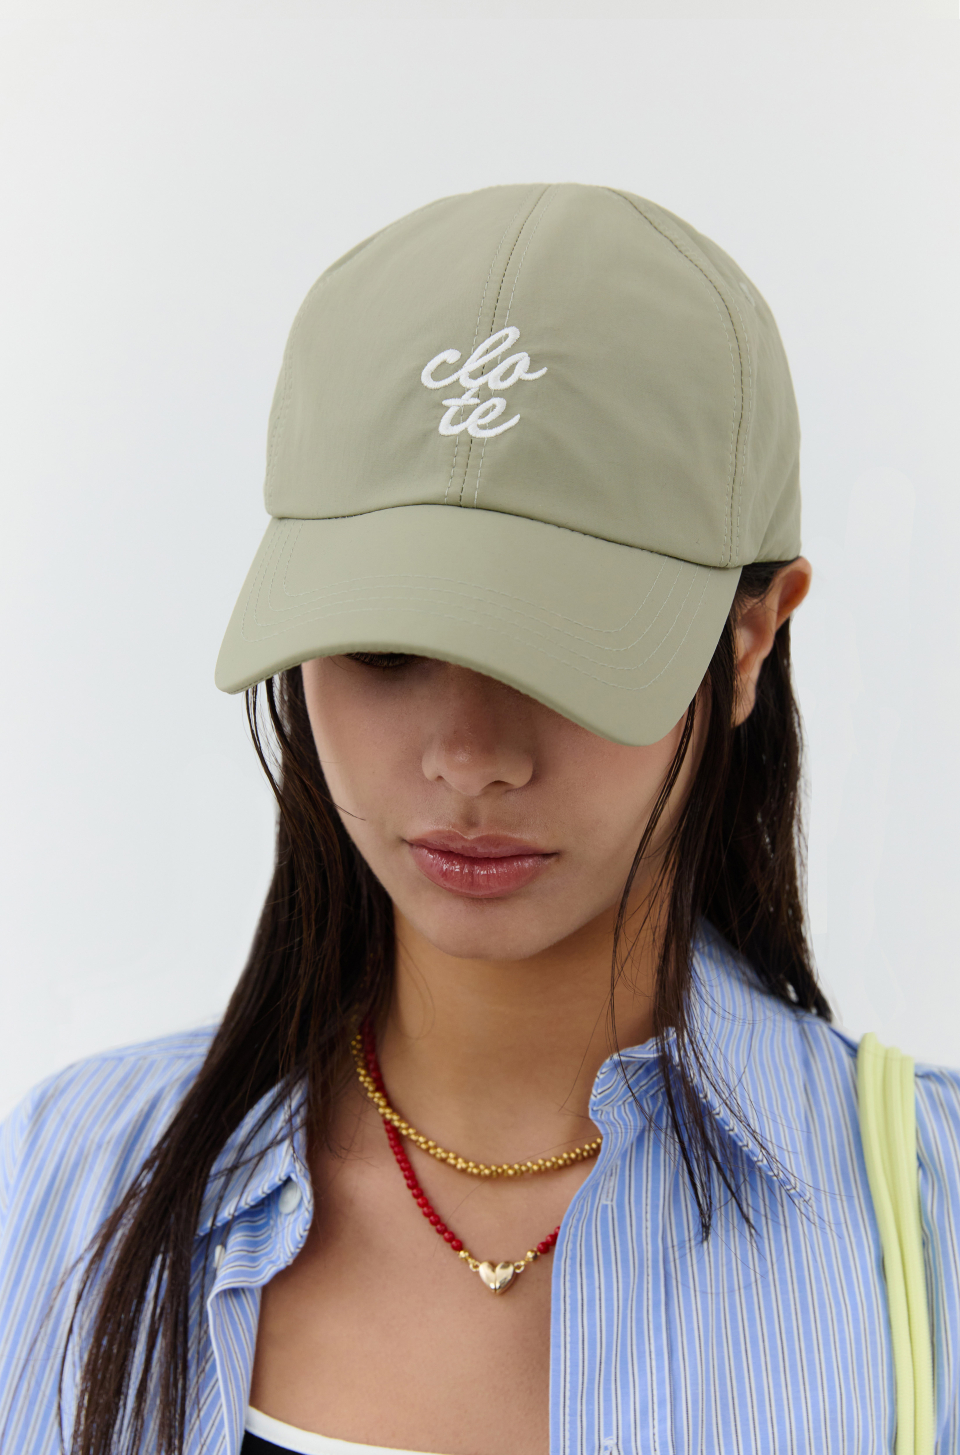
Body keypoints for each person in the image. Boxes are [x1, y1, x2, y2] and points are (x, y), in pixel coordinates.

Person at [0, 182, 957, 1455]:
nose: (469, 758)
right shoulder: (66, 1183)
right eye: (386, 648)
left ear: (749, 640)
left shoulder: (930, 1226)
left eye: (565, 648)